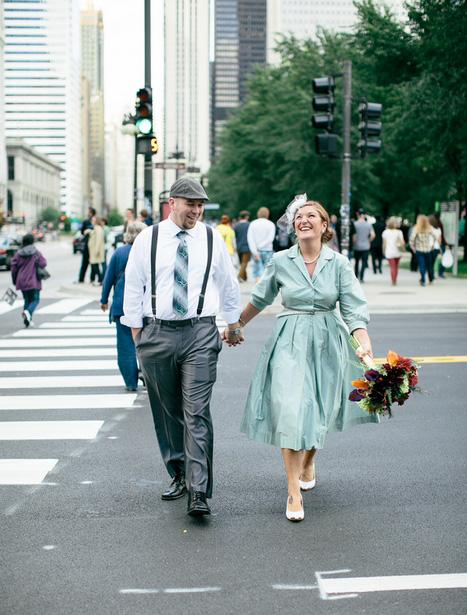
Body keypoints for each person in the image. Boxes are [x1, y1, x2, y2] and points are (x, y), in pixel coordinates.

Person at [223, 195, 379, 522]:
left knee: (319, 411)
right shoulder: (280, 261)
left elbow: (354, 310)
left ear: (325, 226)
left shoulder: (339, 264)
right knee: (292, 410)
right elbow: (261, 298)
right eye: (298, 217)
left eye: (312, 216)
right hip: (289, 340)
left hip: (328, 339)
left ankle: (309, 461)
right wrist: (236, 325)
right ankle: (293, 490)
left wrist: (364, 347)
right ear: (294, 226)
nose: (303, 220)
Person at [121, 178, 242, 517]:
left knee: (196, 412)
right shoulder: (148, 238)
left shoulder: (211, 237)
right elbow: (133, 285)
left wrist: (233, 324)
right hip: (155, 332)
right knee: (168, 411)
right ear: (172, 203)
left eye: (200, 204)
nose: (197, 210)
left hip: (200, 332)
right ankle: (179, 474)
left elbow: (227, 284)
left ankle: (199, 490)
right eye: (190, 203)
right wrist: (137, 336)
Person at [100, 221, 146, 391]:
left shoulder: (119, 253)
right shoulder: (149, 252)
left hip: (122, 307)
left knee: (126, 347)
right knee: (148, 345)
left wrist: (104, 300)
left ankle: (130, 382)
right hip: (146, 307)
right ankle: (148, 376)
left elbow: (109, 279)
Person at [10, 233, 47, 328]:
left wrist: (14, 280)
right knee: (35, 299)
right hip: (33, 280)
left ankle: (27, 320)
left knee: (27, 299)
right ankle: (28, 312)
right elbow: (43, 263)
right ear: (32, 241)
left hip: (21, 280)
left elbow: (13, 268)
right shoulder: (36, 252)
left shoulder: (18, 253)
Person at [247, 206, 276, 282]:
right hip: (267, 250)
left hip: (256, 251)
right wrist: (260, 246)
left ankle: (257, 289)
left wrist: (254, 250)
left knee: (258, 272)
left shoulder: (253, 224)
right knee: (267, 271)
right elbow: (270, 238)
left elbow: (250, 238)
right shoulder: (271, 224)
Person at [409, 214, 435, 286]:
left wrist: (413, 247)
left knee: (422, 265)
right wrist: (432, 245)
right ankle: (431, 279)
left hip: (419, 250)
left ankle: (423, 280)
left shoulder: (416, 228)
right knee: (429, 265)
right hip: (428, 250)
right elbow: (435, 237)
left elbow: (411, 239)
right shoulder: (429, 228)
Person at [352, 209, 375, 282]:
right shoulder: (368, 225)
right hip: (365, 246)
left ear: (358, 215)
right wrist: (369, 241)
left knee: (356, 262)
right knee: (364, 262)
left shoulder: (355, 224)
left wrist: (353, 243)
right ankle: (362, 277)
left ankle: (356, 276)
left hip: (357, 246)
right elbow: (373, 235)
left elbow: (354, 236)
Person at [382, 216, 405, 285]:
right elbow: (403, 242)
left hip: (389, 252)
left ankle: (393, 281)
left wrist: (383, 251)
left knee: (392, 267)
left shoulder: (385, 232)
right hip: (397, 252)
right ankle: (395, 280)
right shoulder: (399, 232)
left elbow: (384, 244)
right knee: (396, 267)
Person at [77, 207, 96, 283]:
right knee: (91, 263)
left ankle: (82, 278)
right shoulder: (87, 221)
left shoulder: (88, 221)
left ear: (91, 213)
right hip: (90, 245)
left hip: (89, 244)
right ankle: (92, 279)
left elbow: (82, 232)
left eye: (88, 212)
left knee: (86, 263)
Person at [87, 215, 105, 285]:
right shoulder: (96, 228)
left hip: (95, 250)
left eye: (93, 220)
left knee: (95, 265)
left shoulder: (98, 228)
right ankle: (99, 280)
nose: (92, 222)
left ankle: (100, 280)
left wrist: (97, 250)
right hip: (93, 250)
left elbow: (98, 240)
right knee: (95, 265)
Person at [233, 210, 251, 281]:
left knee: (242, 263)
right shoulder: (249, 224)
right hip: (247, 246)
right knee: (244, 263)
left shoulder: (236, 225)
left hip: (239, 246)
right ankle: (239, 276)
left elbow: (234, 237)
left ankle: (244, 277)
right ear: (246, 217)